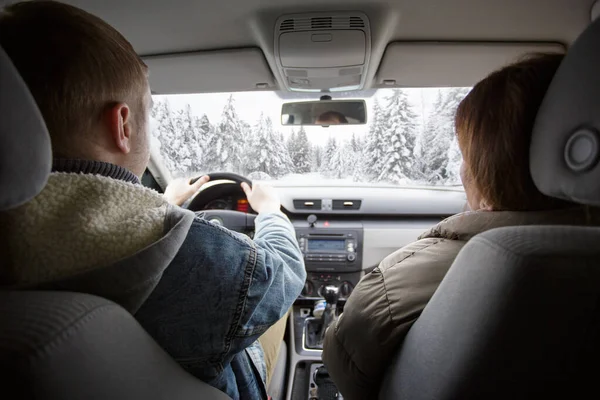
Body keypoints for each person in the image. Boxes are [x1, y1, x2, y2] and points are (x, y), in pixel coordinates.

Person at [0, 2, 305, 399]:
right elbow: (281, 276)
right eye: (150, 113)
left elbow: (96, 224)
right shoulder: (173, 244)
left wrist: (162, 201)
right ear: (122, 125)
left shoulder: (21, 236)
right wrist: (271, 214)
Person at [322, 53, 600, 399]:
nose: (461, 171)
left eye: (467, 156)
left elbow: (341, 367)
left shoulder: (396, 286)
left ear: (487, 170)